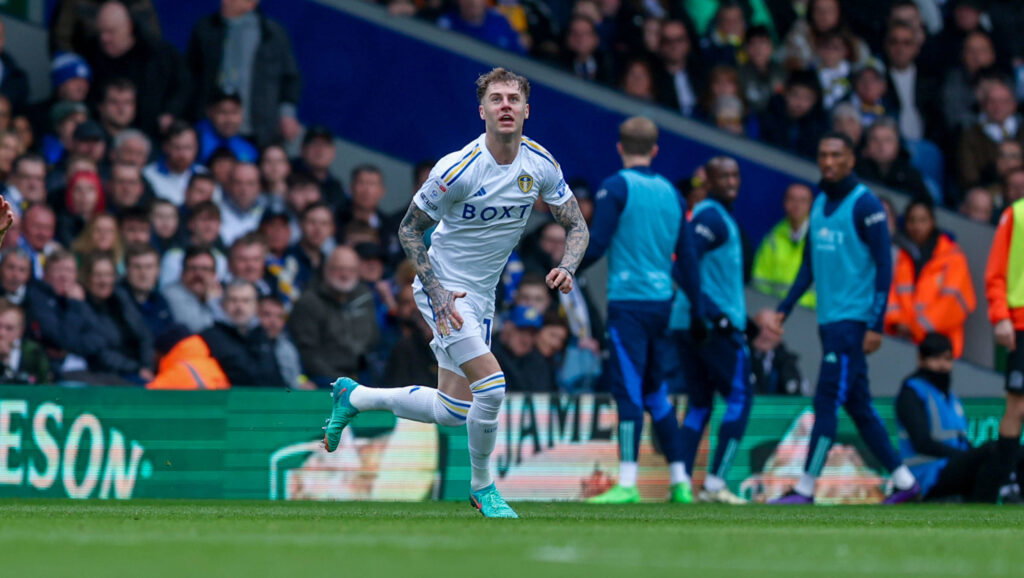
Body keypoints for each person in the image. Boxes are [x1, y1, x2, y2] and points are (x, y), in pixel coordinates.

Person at [321, 68, 588, 518]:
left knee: (452, 410)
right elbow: (409, 230)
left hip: (482, 296)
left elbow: (576, 225)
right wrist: (438, 292)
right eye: (496, 99)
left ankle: (355, 397)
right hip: (443, 290)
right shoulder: (458, 168)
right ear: (482, 111)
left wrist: (567, 266)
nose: (506, 106)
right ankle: (483, 488)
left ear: (527, 110)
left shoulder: (541, 164)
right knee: (493, 387)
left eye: (514, 99)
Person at [767, 132, 920, 504]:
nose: (828, 162)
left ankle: (805, 488)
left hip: (852, 324)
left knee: (826, 401)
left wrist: (875, 324)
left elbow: (885, 265)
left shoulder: (865, 205)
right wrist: (785, 307)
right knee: (858, 406)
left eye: (836, 155)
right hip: (830, 321)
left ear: (851, 159)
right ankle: (905, 482)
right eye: (823, 154)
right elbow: (809, 264)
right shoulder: (820, 202)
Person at [577, 117, 699, 505]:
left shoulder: (615, 187)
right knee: (655, 393)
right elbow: (688, 259)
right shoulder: (672, 193)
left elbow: (597, 243)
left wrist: (565, 268)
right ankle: (681, 482)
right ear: (655, 150)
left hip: (628, 303)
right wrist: (698, 307)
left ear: (619, 147)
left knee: (628, 389)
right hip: (663, 305)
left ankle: (628, 483)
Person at [675, 156, 753, 505]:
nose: (731, 182)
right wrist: (711, 312)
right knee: (740, 397)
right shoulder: (712, 217)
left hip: (690, 322)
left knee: (699, 405)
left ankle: (680, 483)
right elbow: (683, 263)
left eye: (735, 175)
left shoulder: (708, 216)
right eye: (723, 176)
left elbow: (685, 264)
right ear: (706, 180)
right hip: (712, 326)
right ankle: (715, 483)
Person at [896, 333, 1024, 503]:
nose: (943, 366)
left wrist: (968, 455)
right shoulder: (911, 393)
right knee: (992, 451)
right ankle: (984, 505)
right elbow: (922, 442)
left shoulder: (950, 398)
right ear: (921, 359)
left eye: (948, 359)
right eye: (935, 359)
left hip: (951, 466)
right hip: (927, 473)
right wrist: (966, 456)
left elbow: (961, 439)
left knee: (1014, 451)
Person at [187, 0, 302, 147]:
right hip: (211, 129)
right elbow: (190, 76)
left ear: (252, 3)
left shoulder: (272, 33)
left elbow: (289, 78)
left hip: (259, 128)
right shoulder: (206, 29)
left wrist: (287, 114)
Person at [84, 1, 188, 138]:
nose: (104, 38)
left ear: (128, 27)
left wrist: (170, 113)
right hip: (103, 137)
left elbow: (183, 87)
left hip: (153, 135)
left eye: (111, 32)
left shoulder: (159, 55)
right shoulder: (90, 54)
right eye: (101, 32)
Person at [885, 200, 976, 357]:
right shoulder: (899, 255)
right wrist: (897, 321)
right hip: (901, 343)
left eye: (923, 220)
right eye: (912, 220)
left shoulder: (953, 257)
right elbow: (891, 294)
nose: (917, 226)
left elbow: (953, 303)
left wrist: (916, 328)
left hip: (941, 348)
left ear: (932, 222)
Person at [982, 191, 1024, 507]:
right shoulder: (1016, 215)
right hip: (1021, 322)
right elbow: (996, 271)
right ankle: (1008, 481)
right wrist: (1000, 316)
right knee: (1017, 407)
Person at [287, 246, 378, 385]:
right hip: (324, 380)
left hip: (361, 377)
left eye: (351, 270)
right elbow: (308, 352)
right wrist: (339, 381)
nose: (345, 274)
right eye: (339, 269)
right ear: (326, 269)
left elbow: (373, 342)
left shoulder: (364, 298)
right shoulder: (309, 302)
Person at [199, 280, 284, 387]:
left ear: (256, 306)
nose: (239, 307)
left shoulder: (262, 336)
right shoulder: (209, 338)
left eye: (246, 301)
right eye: (233, 300)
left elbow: (276, 378)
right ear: (222, 304)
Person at [752, 183, 816, 308]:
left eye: (803, 201)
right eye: (792, 199)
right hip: (775, 309)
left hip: (810, 312)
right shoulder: (773, 239)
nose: (797, 205)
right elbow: (760, 280)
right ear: (784, 203)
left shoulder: (819, 241)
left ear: (811, 205)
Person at [163, 246, 223, 332]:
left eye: (205, 269)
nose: (198, 274)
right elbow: (198, 328)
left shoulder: (221, 292)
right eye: (192, 268)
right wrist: (213, 302)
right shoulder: (172, 293)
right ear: (182, 272)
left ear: (214, 275)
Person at [0, 301, 52, 385]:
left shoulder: (34, 352)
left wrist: (7, 360)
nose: (2, 333)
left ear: (20, 331)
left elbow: (44, 384)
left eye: (9, 328)